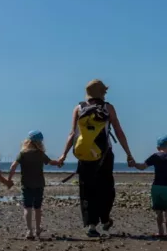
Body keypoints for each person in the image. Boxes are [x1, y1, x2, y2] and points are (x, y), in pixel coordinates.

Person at [56, 79, 136, 238]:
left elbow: (72, 134)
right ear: (102, 93)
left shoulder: (79, 108)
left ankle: (92, 226)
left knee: (87, 190)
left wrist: (63, 155)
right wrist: (128, 154)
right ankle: (105, 219)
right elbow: (119, 131)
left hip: (84, 154)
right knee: (106, 188)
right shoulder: (108, 108)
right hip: (105, 154)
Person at [7, 130, 62, 240]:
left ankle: (29, 231)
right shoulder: (41, 154)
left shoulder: (22, 154)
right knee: (37, 208)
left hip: (26, 185)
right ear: (40, 143)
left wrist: (9, 179)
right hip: (39, 185)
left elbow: (13, 166)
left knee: (27, 208)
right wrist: (60, 161)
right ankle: (37, 229)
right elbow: (51, 162)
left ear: (28, 141)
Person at [133, 135, 167, 237]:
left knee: (158, 210)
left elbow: (142, 167)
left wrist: (134, 164)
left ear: (158, 148)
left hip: (156, 186)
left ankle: (161, 231)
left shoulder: (155, 156)